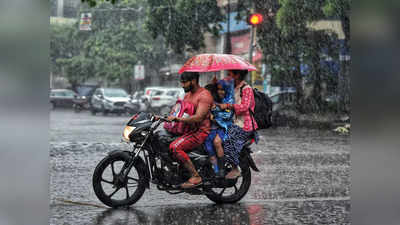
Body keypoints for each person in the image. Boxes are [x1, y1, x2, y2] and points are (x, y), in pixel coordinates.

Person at [166, 72, 213, 188]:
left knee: (175, 147)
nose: (182, 85)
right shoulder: (187, 95)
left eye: (184, 82)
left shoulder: (204, 95)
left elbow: (199, 117)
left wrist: (178, 119)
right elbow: (181, 112)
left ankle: (196, 176)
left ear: (193, 81)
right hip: (188, 130)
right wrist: (164, 117)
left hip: (200, 132)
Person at [217, 70, 258, 179]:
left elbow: (245, 107)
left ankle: (235, 168)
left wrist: (229, 106)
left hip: (245, 124)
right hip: (235, 122)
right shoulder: (233, 87)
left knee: (227, 139)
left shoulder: (246, 89)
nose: (228, 77)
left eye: (230, 74)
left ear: (237, 75)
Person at [204, 79, 234, 178]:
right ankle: (215, 169)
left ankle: (221, 169)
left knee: (217, 142)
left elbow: (227, 115)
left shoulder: (228, 101)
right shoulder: (212, 101)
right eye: (219, 90)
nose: (221, 92)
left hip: (223, 127)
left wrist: (215, 116)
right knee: (208, 147)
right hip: (211, 128)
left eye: (223, 90)